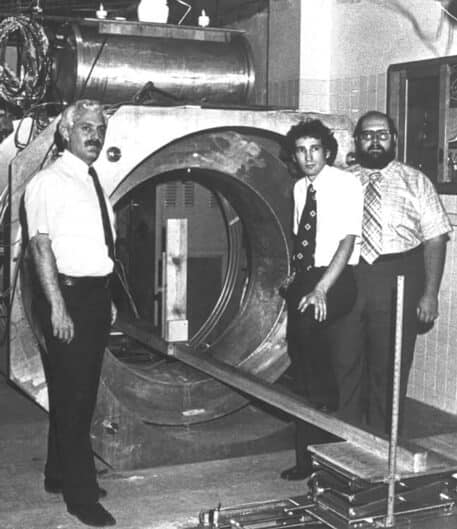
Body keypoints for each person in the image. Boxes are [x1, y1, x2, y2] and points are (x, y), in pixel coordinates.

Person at [330, 110, 452, 435]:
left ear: (394, 140)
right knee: (344, 361)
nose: (374, 141)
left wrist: (429, 294)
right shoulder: (340, 180)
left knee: (390, 366)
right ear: (357, 141)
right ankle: (345, 440)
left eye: (381, 134)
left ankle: (383, 444)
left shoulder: (417, 181)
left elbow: (436, 239)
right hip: (348, 276)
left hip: (397, 277)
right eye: (367, 135)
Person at [25, 99, 116, 527]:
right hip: (65, 297)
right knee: (74, 398)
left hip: (93, 296)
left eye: (99, 128)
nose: (94, 134)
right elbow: (40, 247)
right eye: (85, 127)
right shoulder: (48, 182)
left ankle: (58, 473)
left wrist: (107, 297)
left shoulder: (91, 179)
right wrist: (58, 308)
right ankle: (81, 498)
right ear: (65, 133)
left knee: (76, 391)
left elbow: (96, 249)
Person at [280, 119, 363, 480]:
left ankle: (327, 406)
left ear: (327, 152)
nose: (308, 156)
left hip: (338, 277)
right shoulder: (300, 188)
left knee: (310, 343)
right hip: (308, 275)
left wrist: (321, 289)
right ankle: (306, 459)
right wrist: (296, 277)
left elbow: (347, 241)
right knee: (301, 356)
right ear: (295, 155)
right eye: (301, 150)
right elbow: (302, 239)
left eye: (315, 149)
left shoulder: (346, 183)